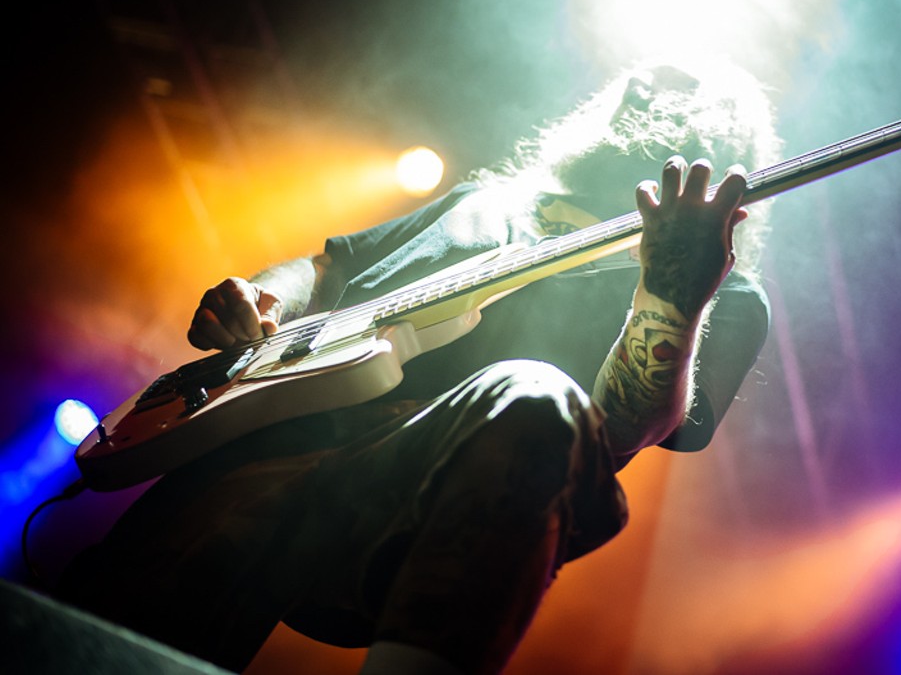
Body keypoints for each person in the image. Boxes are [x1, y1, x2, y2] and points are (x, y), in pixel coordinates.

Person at [56, 59, 780, 674]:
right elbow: (329, 266)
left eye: (687, 89)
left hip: (405, 483)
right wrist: (260, 296)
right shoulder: (485, 200)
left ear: (717, 142)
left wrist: (670, 298)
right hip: (261, 430)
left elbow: (624, 427)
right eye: (645, 76)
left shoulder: (723, 291)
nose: (652, 83)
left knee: (536, 396)